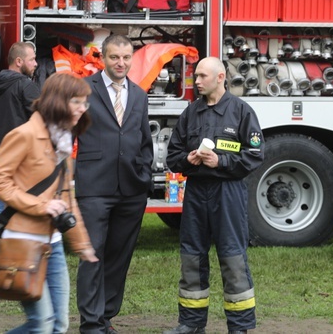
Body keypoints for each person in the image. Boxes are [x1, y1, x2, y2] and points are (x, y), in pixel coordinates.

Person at [0, 72, 98, 334]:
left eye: (85, 103)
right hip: (22, 241)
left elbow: (67, 199)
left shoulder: (63, 141)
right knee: (42, 325)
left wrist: (83, 245)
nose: (83, 109)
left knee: (59, 324)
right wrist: (40, 206)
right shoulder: (24, 135)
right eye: (77, 102)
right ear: (58, 101)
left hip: (53, 245)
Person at [164, 57, 264, 334]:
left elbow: (255, 155)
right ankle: (191, 323)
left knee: (233, 258)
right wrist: (188, 159)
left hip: (227, 192)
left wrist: (221, 162)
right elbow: (173, 156)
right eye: (196, 76)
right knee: (192, 257)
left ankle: (239, 327)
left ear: (220, 77)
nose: (196, 81)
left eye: (202, 76)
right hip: (196, 192)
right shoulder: (190, 113)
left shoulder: (241, 112)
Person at [75, 34, 153, 334]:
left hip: (131, 189)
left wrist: (144, 175)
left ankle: (106, 317)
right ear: (102, 58)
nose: (121, 63)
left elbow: (144, 140)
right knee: (92, 254)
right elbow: (66, 131)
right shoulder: (84, 89)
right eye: (114, 57)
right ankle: (91, 323)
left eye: (126, 57)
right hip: (94, 187)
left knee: (119, 257)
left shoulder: (139, 94)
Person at [0, 42, 39, 282]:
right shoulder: (26, 86)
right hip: (18, 157)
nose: (36, 64)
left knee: (4, 208)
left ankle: (1, 265)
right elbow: (43, 118)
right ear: (19, 61)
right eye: (33, 59)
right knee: (14, 210)